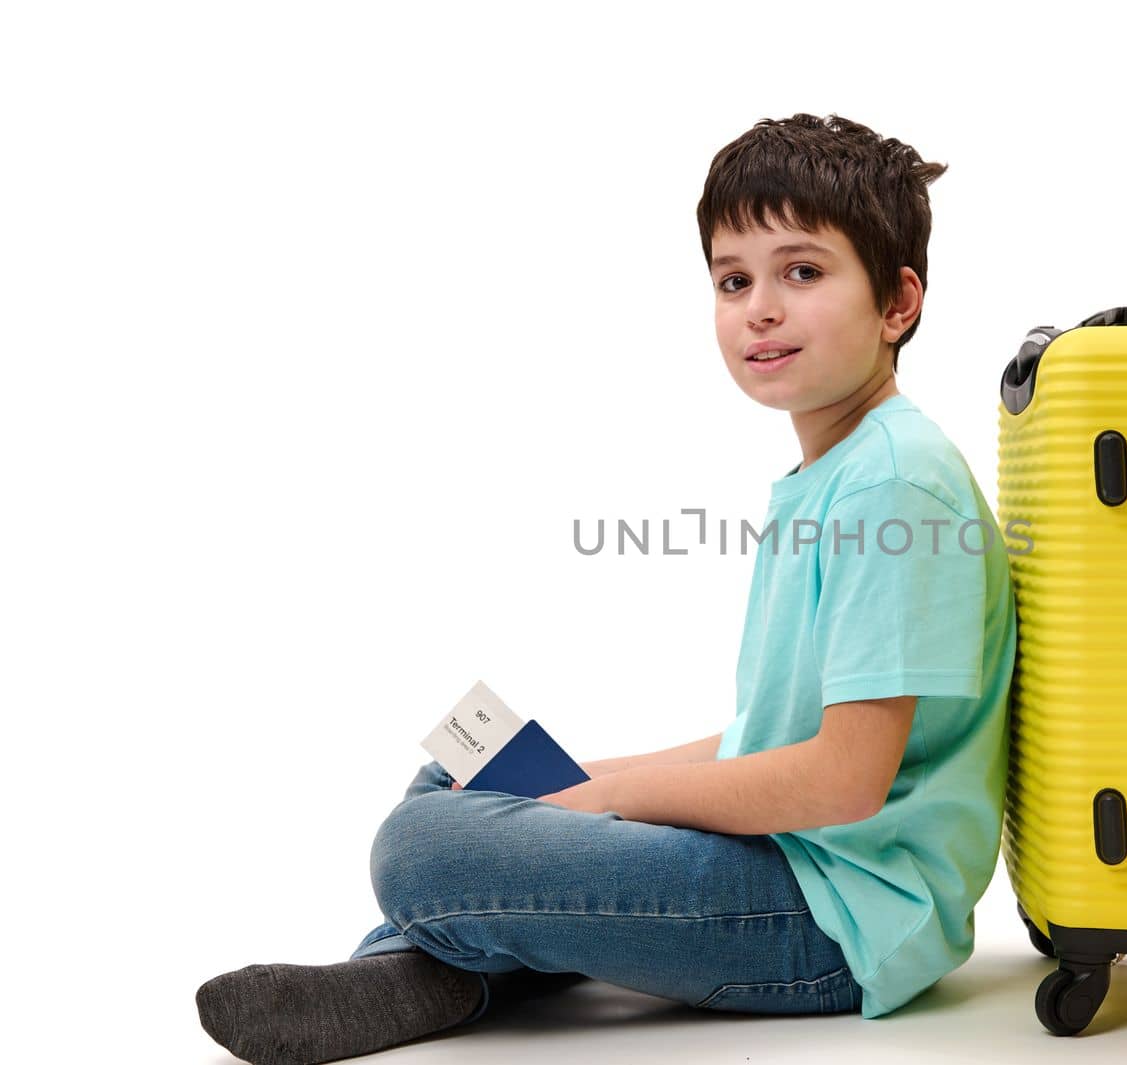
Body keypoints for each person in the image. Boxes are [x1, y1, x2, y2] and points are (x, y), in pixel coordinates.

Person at [195, 112, 1018, 1065]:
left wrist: (611, 798)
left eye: (802, 271)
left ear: (897, 304)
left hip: (833, 923)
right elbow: (771, 731)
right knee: (467, 768)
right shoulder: (838, 471)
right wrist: (586, 777)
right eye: (732, 279)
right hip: (788, 868)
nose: (759, 307)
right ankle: (440, 971)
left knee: (421, 847)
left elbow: (843, 776)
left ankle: (434, 965)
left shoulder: (892, 482)